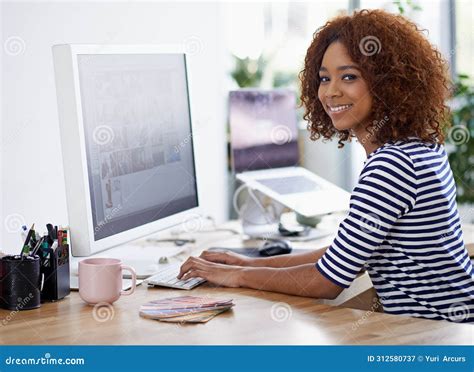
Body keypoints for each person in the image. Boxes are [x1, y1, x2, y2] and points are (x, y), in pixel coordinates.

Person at [179, 9, 474, 323]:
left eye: (349, 76)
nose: (331, 91)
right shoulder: (419, 148)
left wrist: (235, 277)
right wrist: (244, 265)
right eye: (324, 78)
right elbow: (343, 257)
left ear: (388, 83)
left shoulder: (391, 166)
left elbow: (328, 281)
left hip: (441, 339)